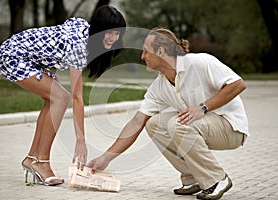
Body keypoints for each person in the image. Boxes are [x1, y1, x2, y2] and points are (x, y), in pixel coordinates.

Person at [86, 28, 249, 200]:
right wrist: (106, 158)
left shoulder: (200, 62)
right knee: (153, 123)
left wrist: (203, 107)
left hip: (231, 128)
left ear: (160, 51)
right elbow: (136, 122)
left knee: (177, 124)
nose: (142, 56)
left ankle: (217, 179)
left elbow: (237, 85)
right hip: (203, 127)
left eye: (146, 51)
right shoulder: (161, 85)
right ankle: (192, 177)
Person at [0, 5, 126, 186]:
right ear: (97, 29)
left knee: (55, 98)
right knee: (61, 98)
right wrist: (80, 140)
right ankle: (42, 163)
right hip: (12, 56)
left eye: (117, 33)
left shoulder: (84, 31)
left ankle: (32, 159)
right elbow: (77, 97)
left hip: (27, 59)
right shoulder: (79, 46)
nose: (113, 38)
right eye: (108, 32)